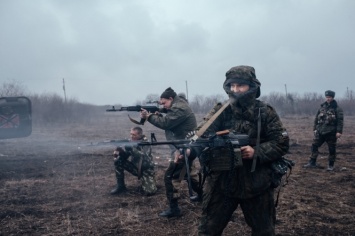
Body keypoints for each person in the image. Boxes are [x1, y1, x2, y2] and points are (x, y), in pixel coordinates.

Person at [194, 66, 289, 235]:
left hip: (256, 183)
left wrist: (256, 152)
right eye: (232, 85)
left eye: (240, 85)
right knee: (208, 230)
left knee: (264, 231)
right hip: (222, 182)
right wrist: (193, 147)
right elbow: (201, 134)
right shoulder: (220, 111)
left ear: (252, 86)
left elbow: (281, 142)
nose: (235, 90)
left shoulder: (265, 112)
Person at [140, 87, 202, 218]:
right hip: (185, 146)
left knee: (170, 176)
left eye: (164, 103)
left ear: (171, 99)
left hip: (185, 147)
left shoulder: (179, 108)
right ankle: (204, 196)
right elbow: (169, 115)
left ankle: (174, 209)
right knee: (189, 174)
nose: (162, 105)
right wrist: (157, 111)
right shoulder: (178, 105)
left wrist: (149, 116)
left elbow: (167, 123)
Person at [303, 90, 344, 171]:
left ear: (332, 97)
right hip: (320, 131)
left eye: (329, 97)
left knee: (331, 149)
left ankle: (331, 165)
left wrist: (339, 131)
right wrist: (314, 129)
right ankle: (312, 162)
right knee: (314, 146)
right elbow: (316, 119)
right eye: (327, 97)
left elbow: (340, 121)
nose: (328, 99)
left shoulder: (337, 108)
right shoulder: (322, 107)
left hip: (331, 132)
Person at [111, 127, 157, 196]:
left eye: (134, 135)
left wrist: (131, 148)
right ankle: (120, 186)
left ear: (140, 135)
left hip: (146, 170)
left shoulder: (146, 143)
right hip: (135, 168)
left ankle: (148, 182)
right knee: (118, 161)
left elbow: (144, 156)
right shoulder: (131, 142)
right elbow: (125, 156)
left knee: (150, 192)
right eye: (131, 134)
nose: (131, 137)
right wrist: (120, 151)